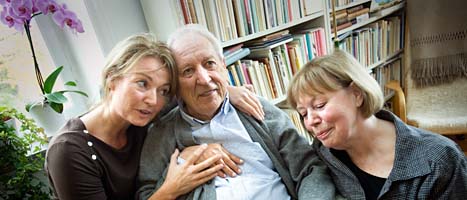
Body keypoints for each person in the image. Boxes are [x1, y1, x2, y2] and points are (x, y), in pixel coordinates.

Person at [45, 33, 265, 199]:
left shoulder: (148, 112)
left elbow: (191, 94)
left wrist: (226, 90)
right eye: (142, 83)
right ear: (112, 79)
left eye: (163, 90)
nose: (154, 100)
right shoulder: (68, 152)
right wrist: (169, 190)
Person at [137, 24, 338, 200]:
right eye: (188, 71)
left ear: (224, 66)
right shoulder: (162, 133)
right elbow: (147, 193)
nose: (204, 79)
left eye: (209, 64)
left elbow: (310, 168)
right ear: (175, 83)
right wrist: (186, 158)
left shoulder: (256, 108)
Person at [287, 49, 467, 199]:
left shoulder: (442, 159)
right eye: (303, 114)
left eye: (319, 105)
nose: (310, 121)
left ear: (357, 94)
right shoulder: (320, 156)